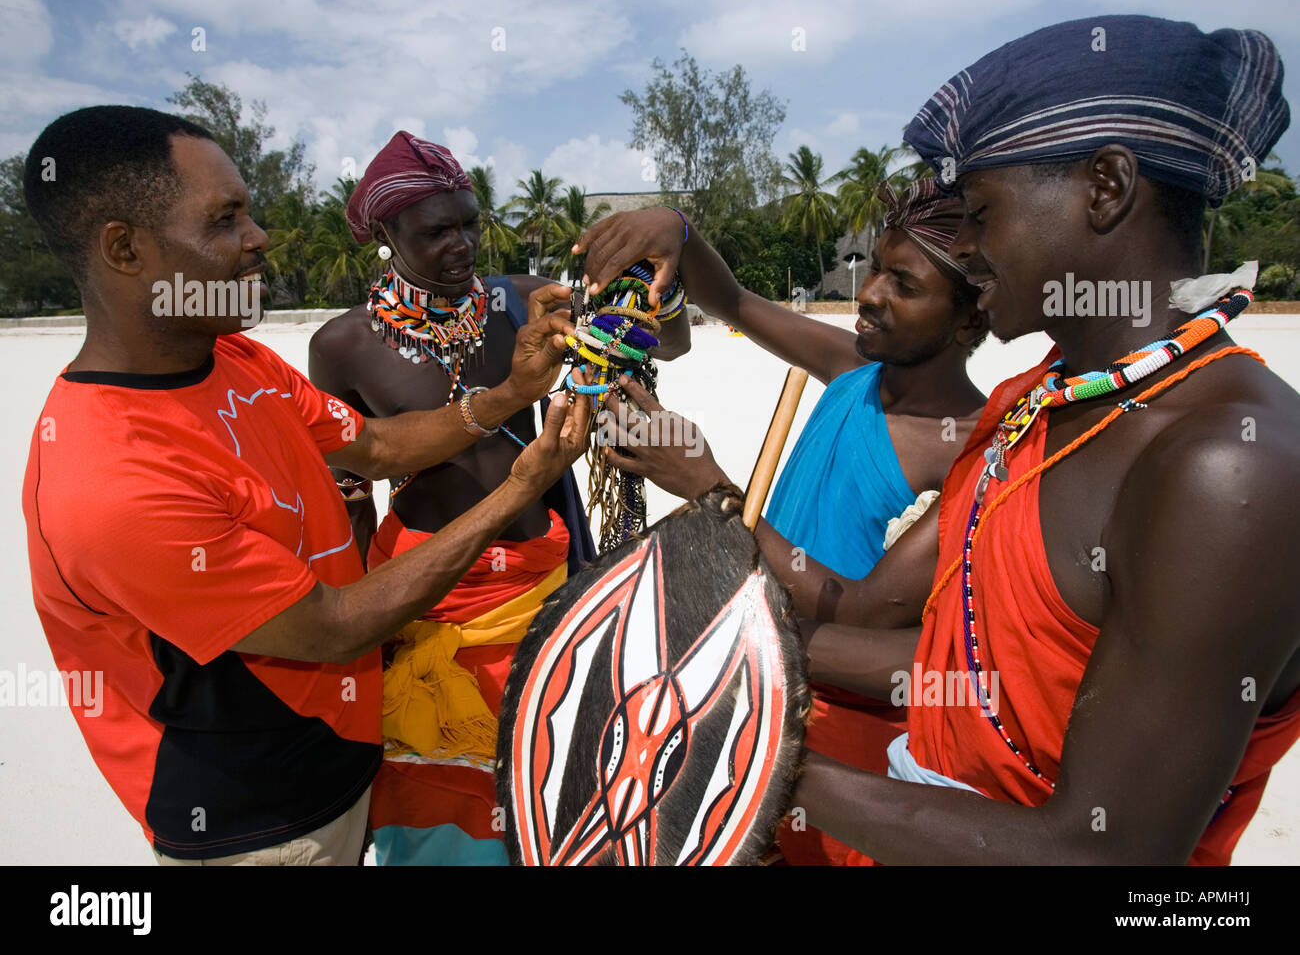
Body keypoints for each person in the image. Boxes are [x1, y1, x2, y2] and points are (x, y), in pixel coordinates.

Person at [594, 14, 1300, 864]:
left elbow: (1100, 853)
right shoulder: (1031, 407)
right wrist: (709, 648)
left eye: (979, 211)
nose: (966, 245)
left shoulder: (1228, 466)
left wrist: (738, 754)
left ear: (1106, 189)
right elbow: (952, 662)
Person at [20, 106, 588, 865]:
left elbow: (378, 444)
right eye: (226, 220)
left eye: (249, 211)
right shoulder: (111, 477)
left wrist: (509, 394)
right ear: (125, 248)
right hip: (264, 821)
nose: (259, 239)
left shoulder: (236, 363)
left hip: (351, 753)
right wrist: (521, 489)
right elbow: (335, 625)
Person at [575, 179, 987, 863]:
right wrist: (675, 229)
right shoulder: (854, 369)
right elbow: (730, 300)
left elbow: (864, 611)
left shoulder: (973, 449)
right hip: (754, 684)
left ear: (970, 321)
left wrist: (710, 489)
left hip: (842, 732)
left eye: (903, 284)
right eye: (876, 267)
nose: (871, 293)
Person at [307, 132, 688, 865]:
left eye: (471, 223)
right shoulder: (342, 346)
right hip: (424, 594)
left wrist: (667, 242)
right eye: (437, 231)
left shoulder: (521, 301)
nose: (463, 244)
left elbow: (665, 342)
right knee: (438, 805)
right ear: (385, 236)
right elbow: (349, 495)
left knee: (547, 780)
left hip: (538, 576)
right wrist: (363, 624)